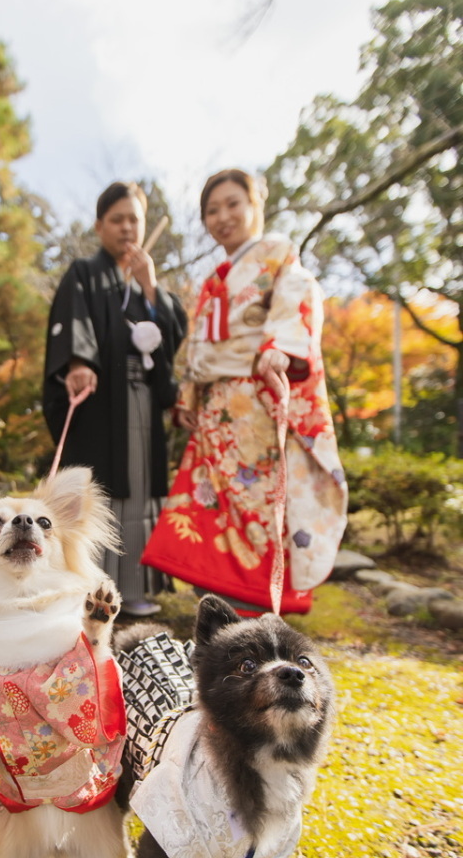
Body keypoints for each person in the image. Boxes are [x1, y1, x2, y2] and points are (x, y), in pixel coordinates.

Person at [142, 169, 347, 615]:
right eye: (212, 210)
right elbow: (202, 346)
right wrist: (189, 398)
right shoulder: (215, 277)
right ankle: (217, 601)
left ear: (257, 205)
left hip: (254, 399)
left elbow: (299, 294)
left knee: (254, 500)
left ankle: (253, 604)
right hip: (217, 409)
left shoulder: (277, 255)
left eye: (233, 204)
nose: (222, 217)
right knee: (210, 501)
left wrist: (281, 348)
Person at [43, 181, 187, 617]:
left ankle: (136, 589)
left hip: (142, 400)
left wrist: (151, 290)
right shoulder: (85, 273)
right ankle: (88, 589)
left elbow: (173, 336)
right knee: (99, 492)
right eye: (117, 219)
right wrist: (77, 362)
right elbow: (74, 323)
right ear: (99, 225)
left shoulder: (150, 283)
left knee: (141, 491)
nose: (127, 227)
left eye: (134, 219)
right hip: (101, 405)